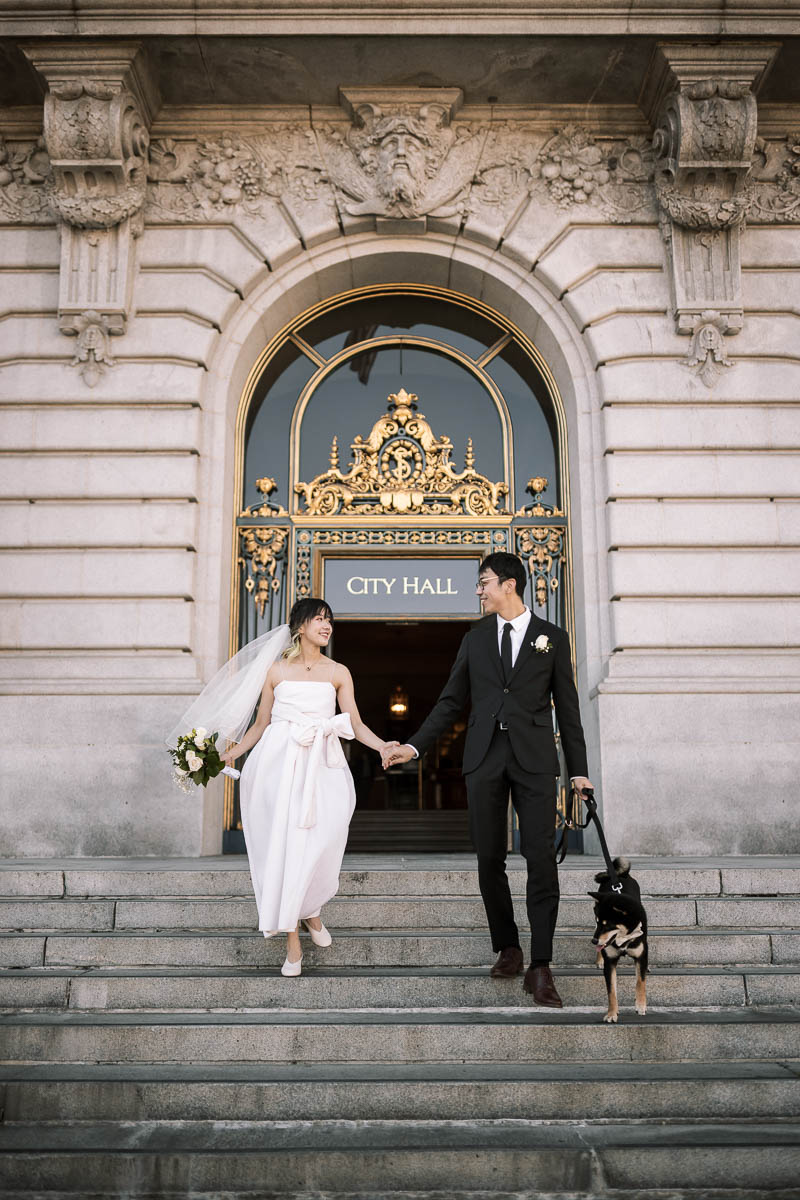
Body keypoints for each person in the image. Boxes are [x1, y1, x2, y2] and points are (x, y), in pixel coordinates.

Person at [385, 552, 593, 1007]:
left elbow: (568, 710)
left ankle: (541, 965)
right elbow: (450, 702)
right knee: (488, 858)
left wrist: (578, 771)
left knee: (540, 858)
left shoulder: (552, 638)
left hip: (535, 760)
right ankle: (509, 947)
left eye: (484, 583)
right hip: (483, 758)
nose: (479, 591)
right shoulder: (475, 638)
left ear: (509, 585)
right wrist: (414, 747)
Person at [169, 598, 392, 978]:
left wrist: (383, 746)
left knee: (325, 838)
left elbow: (354, 723)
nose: (326, 625)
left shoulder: (339, 671)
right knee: (287, 847)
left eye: (329, 619)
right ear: (300, 626)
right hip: (277, 765)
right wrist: (227, 755)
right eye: (319, 619)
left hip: (321, 765)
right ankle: (293, 944)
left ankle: (311, 909)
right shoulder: (275, 671)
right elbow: (260, 725)